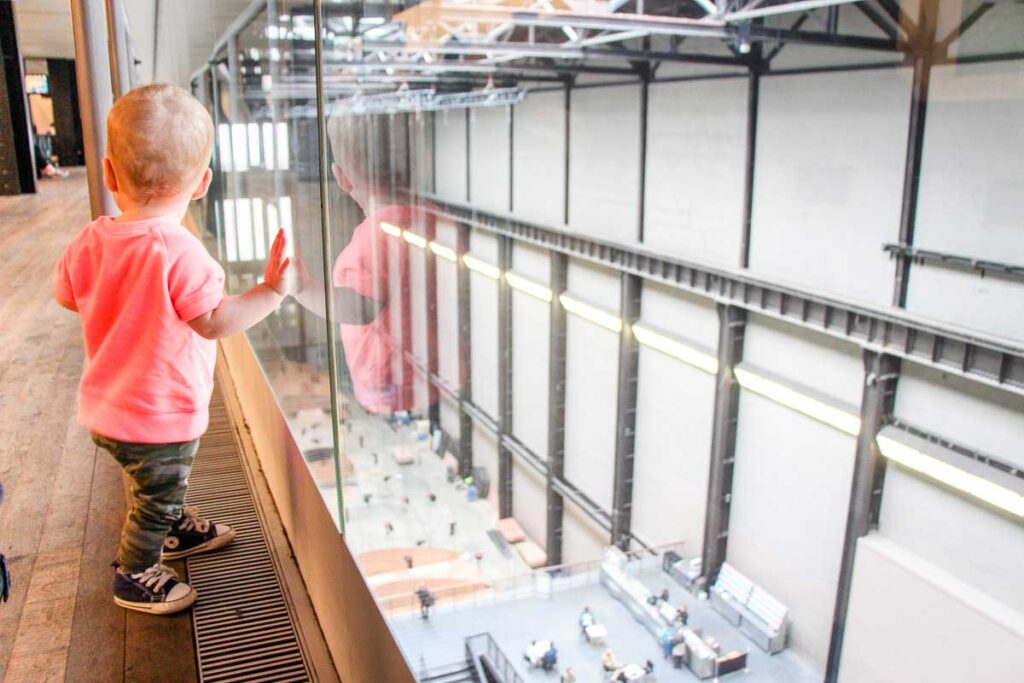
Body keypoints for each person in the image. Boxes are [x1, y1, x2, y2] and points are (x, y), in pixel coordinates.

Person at [53, 84, 293, 615]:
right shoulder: (181, 251)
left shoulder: (90, 238)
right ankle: (136, 572)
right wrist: (270, 291)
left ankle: (174, 527)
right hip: (157, 414)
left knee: (156, 483)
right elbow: (213, 323)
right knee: (154, 494)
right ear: (203, 182)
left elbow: (68, 295)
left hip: (108, 406)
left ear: (110, 175)